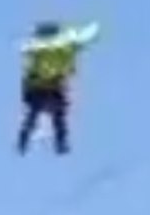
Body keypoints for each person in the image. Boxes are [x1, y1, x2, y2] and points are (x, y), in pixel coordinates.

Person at [16, 20, 101, 155]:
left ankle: (28, 140)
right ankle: (55, 142)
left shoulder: (41, 49)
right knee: (54, 114)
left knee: (47, 113)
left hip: (44, 88)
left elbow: (30, 61)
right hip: (45, 87)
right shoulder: (59, 48)